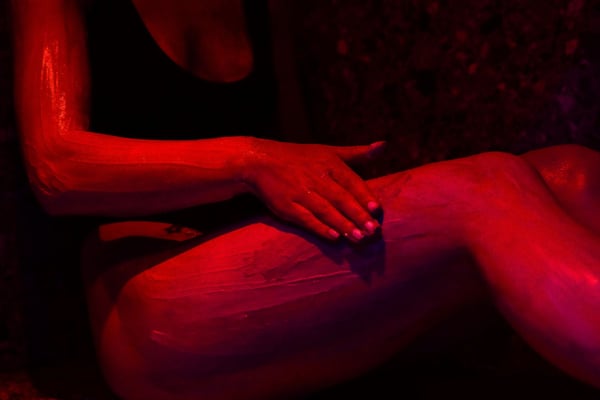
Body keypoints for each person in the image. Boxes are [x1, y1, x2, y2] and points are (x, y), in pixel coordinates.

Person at [10, 0, 600, 399]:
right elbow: (56, 166)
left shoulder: (265, 8)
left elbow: (299, 157)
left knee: (572, 174)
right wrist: (249, 160)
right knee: (484, 189)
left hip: (258, 274)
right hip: (147, 298)